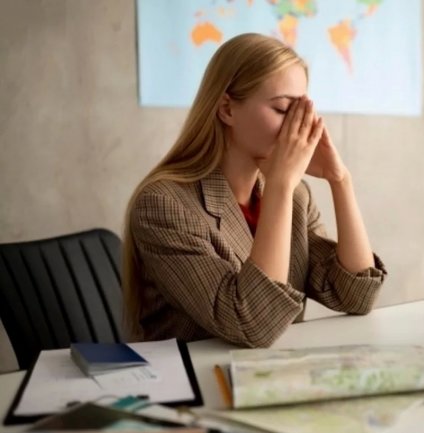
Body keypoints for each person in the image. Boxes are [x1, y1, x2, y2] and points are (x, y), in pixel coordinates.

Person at [122, 33, 387, 347]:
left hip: (267, 370)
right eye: (283, 109)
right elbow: (252, 325)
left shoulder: (295, 195)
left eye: (302, 112)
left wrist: (340, 179)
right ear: (227, 109)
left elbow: (356, 295)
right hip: (193, 373)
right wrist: (280, 186)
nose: (298, 127)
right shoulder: (163, 205)